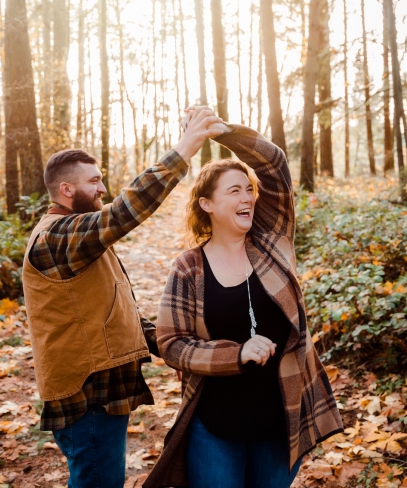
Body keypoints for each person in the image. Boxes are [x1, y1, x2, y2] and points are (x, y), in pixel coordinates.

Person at [21, 106, 226, 488]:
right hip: (87, 395)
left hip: (101, 390)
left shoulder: (78, 240)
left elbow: (113, 308)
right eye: (94, 181)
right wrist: (183, 149)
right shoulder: (56, 237)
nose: (102, 188)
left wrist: (167, 345)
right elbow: (123, 214)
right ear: (67, 190)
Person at [145, 122, 343, 488]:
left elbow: (274, 165)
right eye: (234, 191)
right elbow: (171, 344)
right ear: (207, 204)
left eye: (249, 189)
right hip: (215, 425)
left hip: (280, 420)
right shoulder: (189, 268)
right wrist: (235, 355)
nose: (247, 198)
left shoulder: (272, 242)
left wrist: (221, 131)